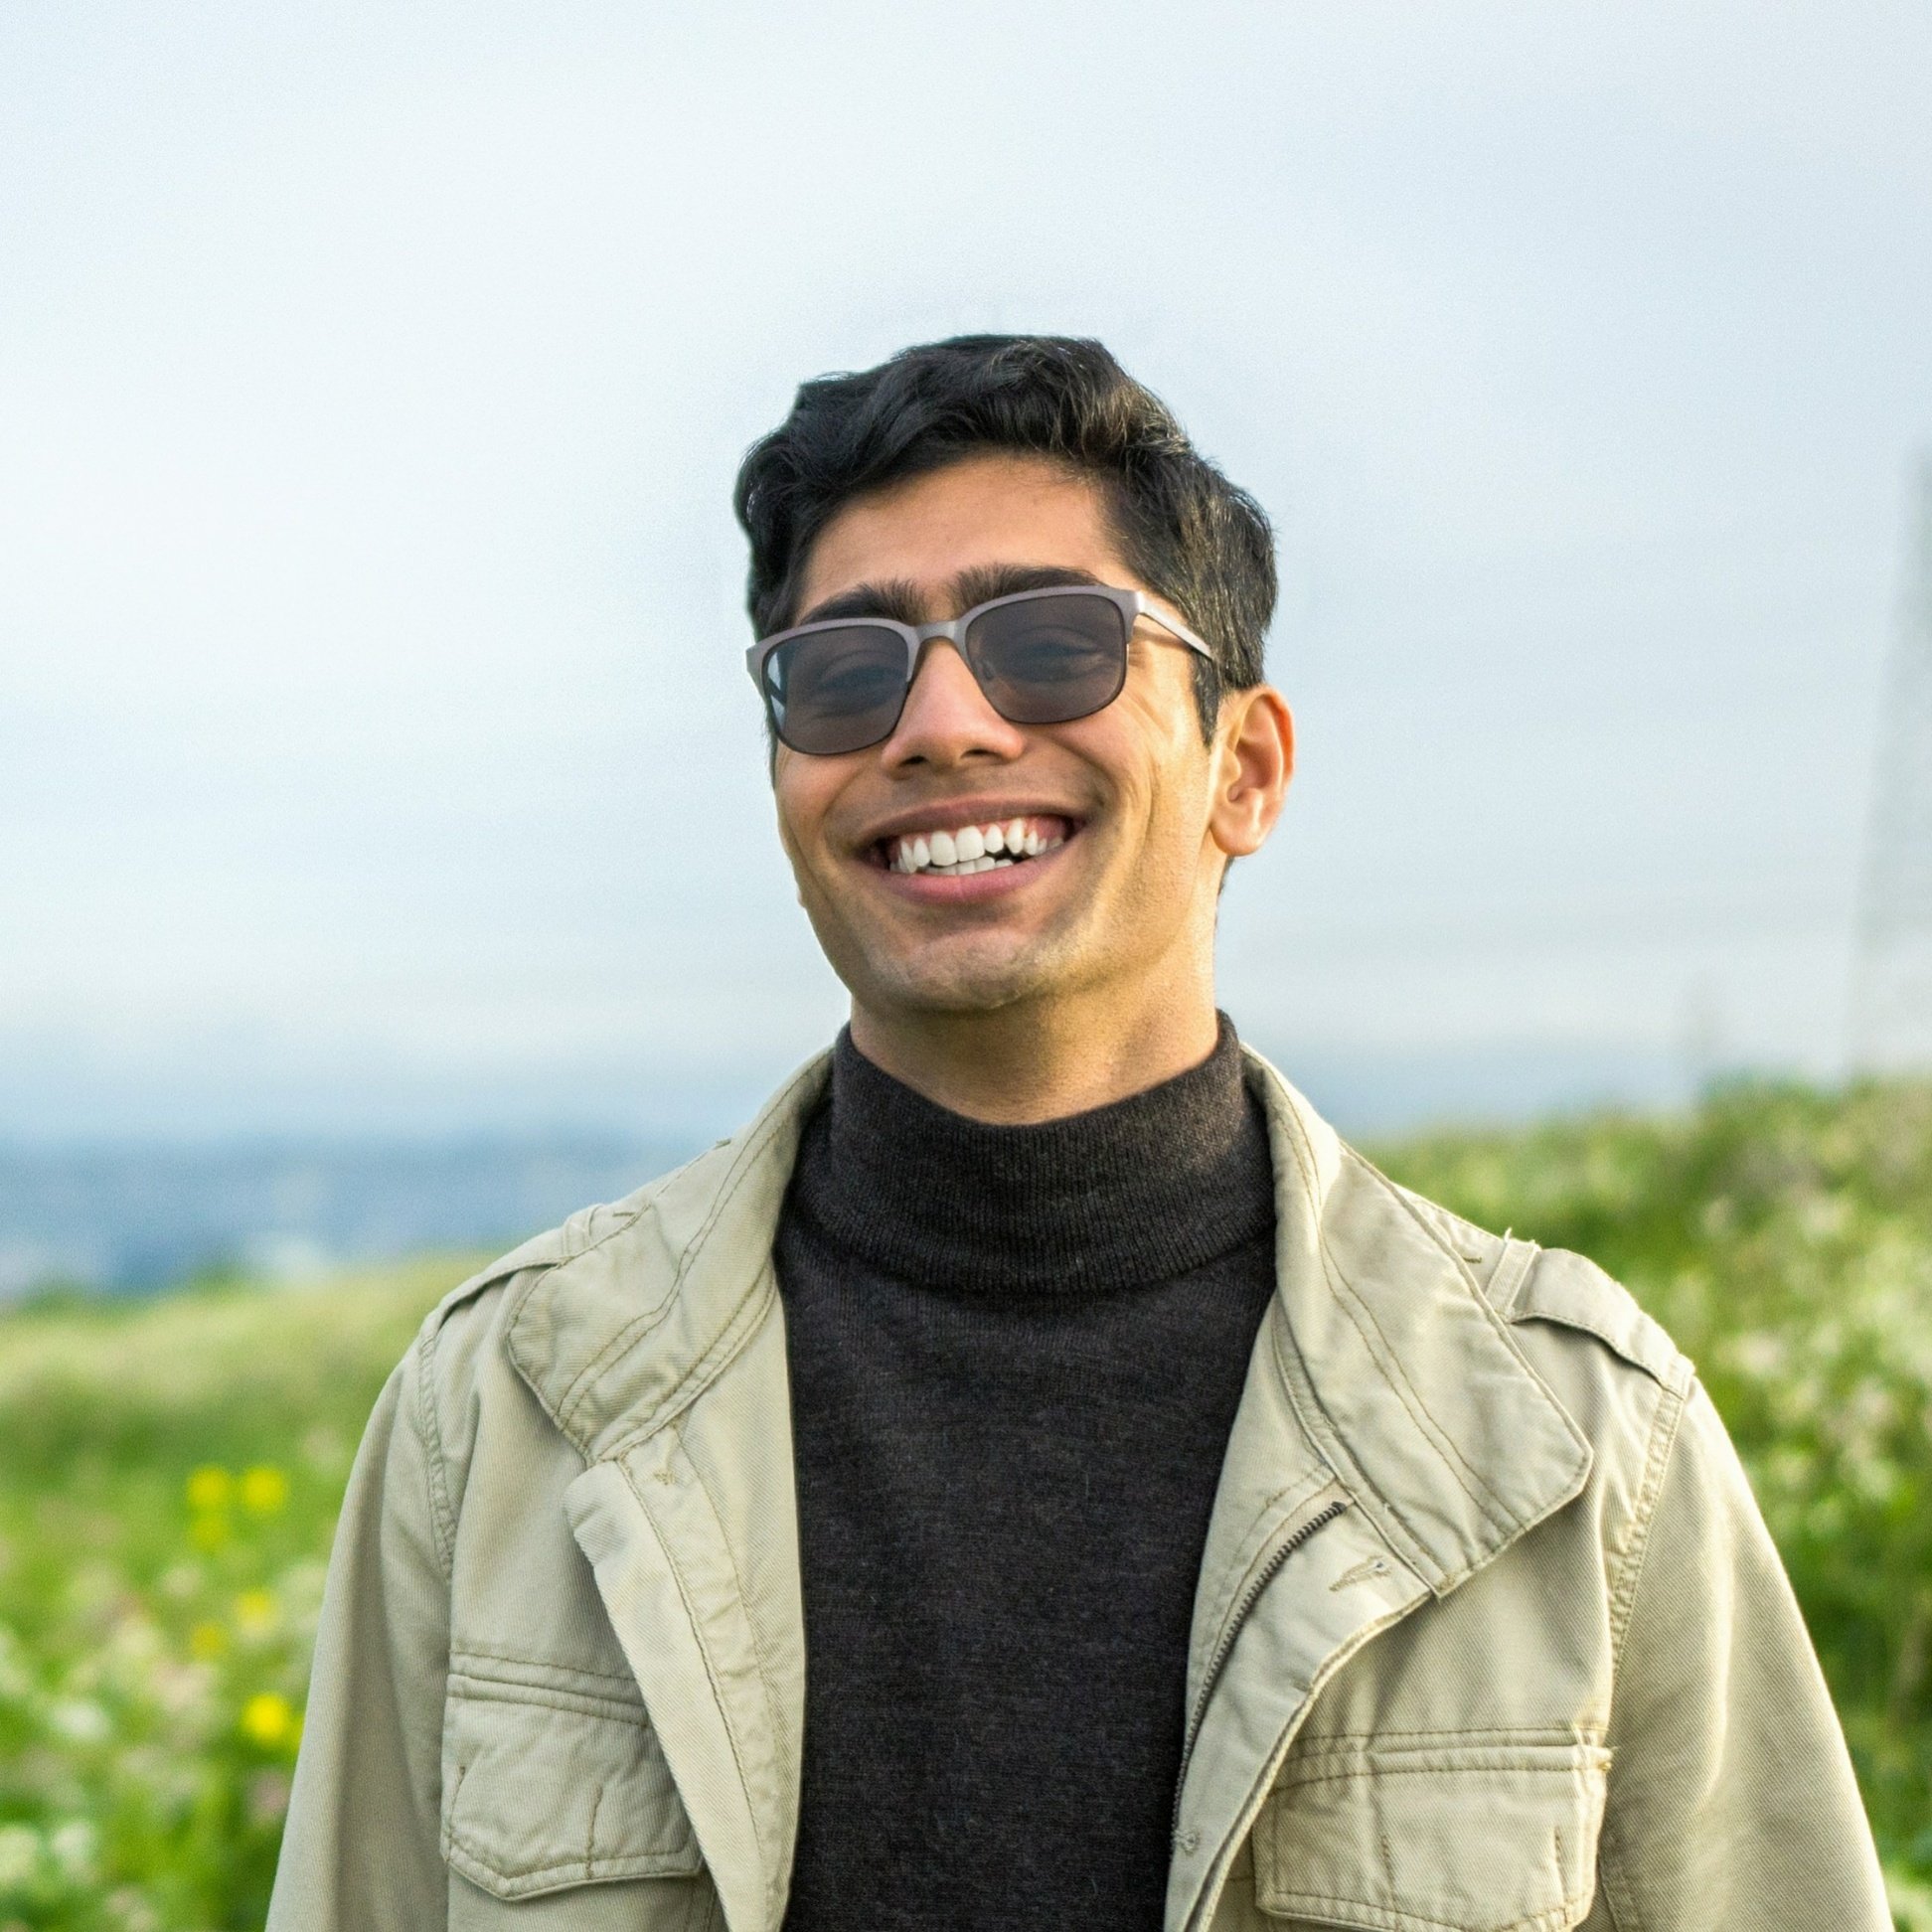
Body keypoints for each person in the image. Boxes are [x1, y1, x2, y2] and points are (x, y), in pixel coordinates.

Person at [267, 336, 1889, 1932]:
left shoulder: (1573, 1445)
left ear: (1242, 770)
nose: (943, 723)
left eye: (1053, 646)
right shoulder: (500, 1417)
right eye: (845, 671)